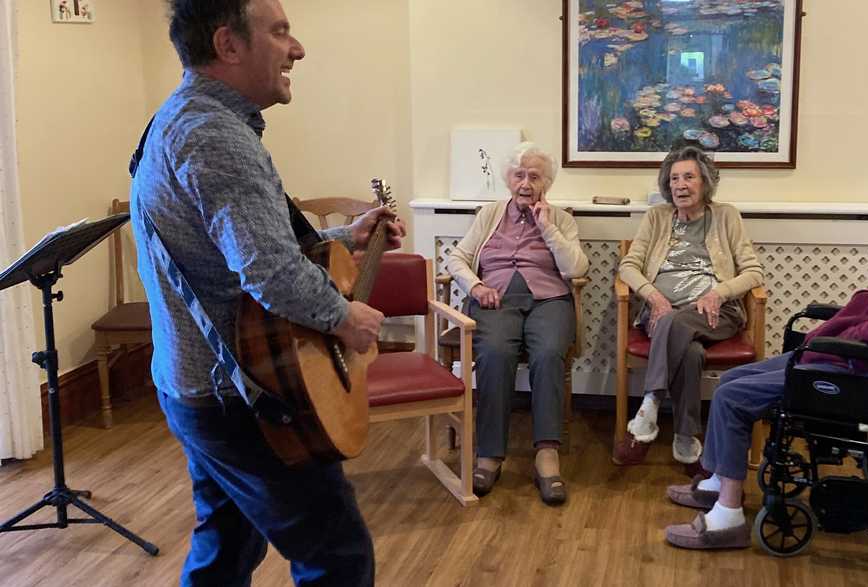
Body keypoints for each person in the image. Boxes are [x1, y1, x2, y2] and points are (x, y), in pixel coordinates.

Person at [130, 1, 404, 584]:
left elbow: (237, 248)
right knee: (337, 557)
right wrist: (344, 317)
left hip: (198, 387)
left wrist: (342, 236)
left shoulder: (184, 118)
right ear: (229, 45)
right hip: (245, 397)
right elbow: (271, 273)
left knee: (225, 547)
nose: (297, 49)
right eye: (280, 32)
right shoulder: (214, 135)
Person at [663, 180, 868, 550]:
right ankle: (718, 481)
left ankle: (728, 516)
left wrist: (840, 341)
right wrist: (832, 338)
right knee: (735, 377)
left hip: (867, 370)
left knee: (735, 396)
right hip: (851, 357)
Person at [445, 142, 589, 505]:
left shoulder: (561, 220)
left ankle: (546, 452)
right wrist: (476, 286)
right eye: (519, 175)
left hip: (550, 301)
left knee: (549, 353)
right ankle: (489, 454)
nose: (526, 183)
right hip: (496, 298)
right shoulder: (489, 214)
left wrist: (547, 229)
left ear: (547, 184)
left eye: (534, 177)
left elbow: (576, 269)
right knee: (493, 353)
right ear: (508, 179)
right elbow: (458, 258)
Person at [612, 145, 764, 472]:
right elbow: (628, 267)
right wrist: (654, 297)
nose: (680, 184)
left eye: (689, 177)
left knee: (674, 323)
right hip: (663, 313)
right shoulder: (656, 217)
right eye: (674, 178)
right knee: (690, 350)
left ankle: (651, 402)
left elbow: (754, 272)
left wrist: (719, 293)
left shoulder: (726, 216)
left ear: (705, 182)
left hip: (715, 314)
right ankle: (685, 437)